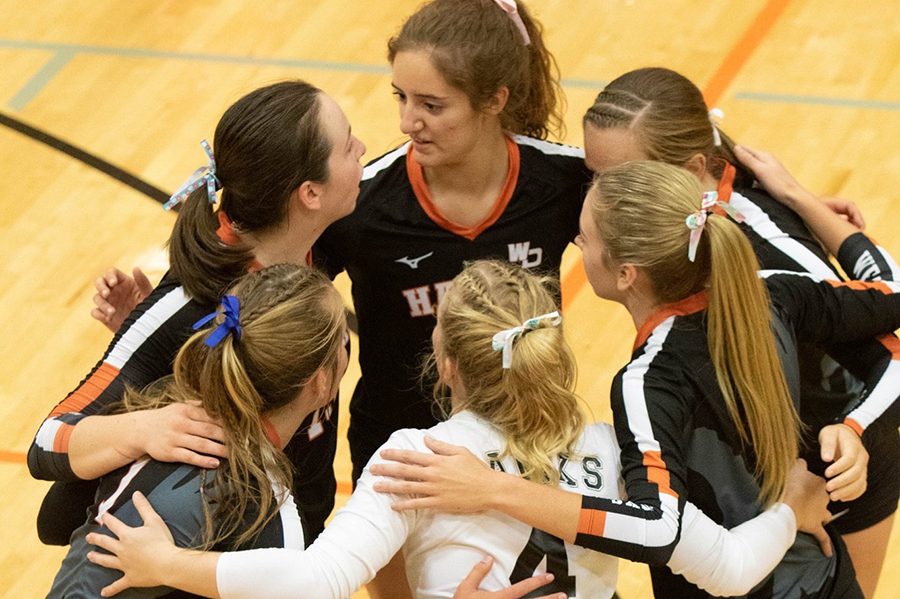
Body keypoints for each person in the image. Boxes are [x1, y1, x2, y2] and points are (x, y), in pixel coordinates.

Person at [83, 260, 834, 599]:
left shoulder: (419, 458)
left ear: (444, 363)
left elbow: (311, 583)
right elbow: (733, 569)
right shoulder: (612, 450)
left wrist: (168, 565)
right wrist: (791, 510)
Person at [369, 162, 900, 599]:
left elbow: (657, 524)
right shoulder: (774, 292)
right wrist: (802, 197)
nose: (576, 240)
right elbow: (889, 292)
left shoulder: (648, 380)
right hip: (825, 582)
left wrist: (497, 489)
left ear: (626, 274)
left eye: (586, 236)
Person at [578, 67, 898, 597]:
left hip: (833, 473)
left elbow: (891, 324)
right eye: (595, 175)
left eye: (618, 177)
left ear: (691, 168)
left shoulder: (768, 270)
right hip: (767, 500)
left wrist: (855, 430)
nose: (601, 194)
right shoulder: (679, 229)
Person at [28, 80, 367, 546]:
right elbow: (48, 441)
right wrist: (144, 426)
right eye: (348, 146)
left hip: (297, 545)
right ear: (309, 194)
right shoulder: (182, 308)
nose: (363, 151)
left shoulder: (317, 240)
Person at [47, 264, 348, 597]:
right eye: (342, 343)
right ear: (322, 383)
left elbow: (53, 521)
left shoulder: (153, 418)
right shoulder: (273, 522)